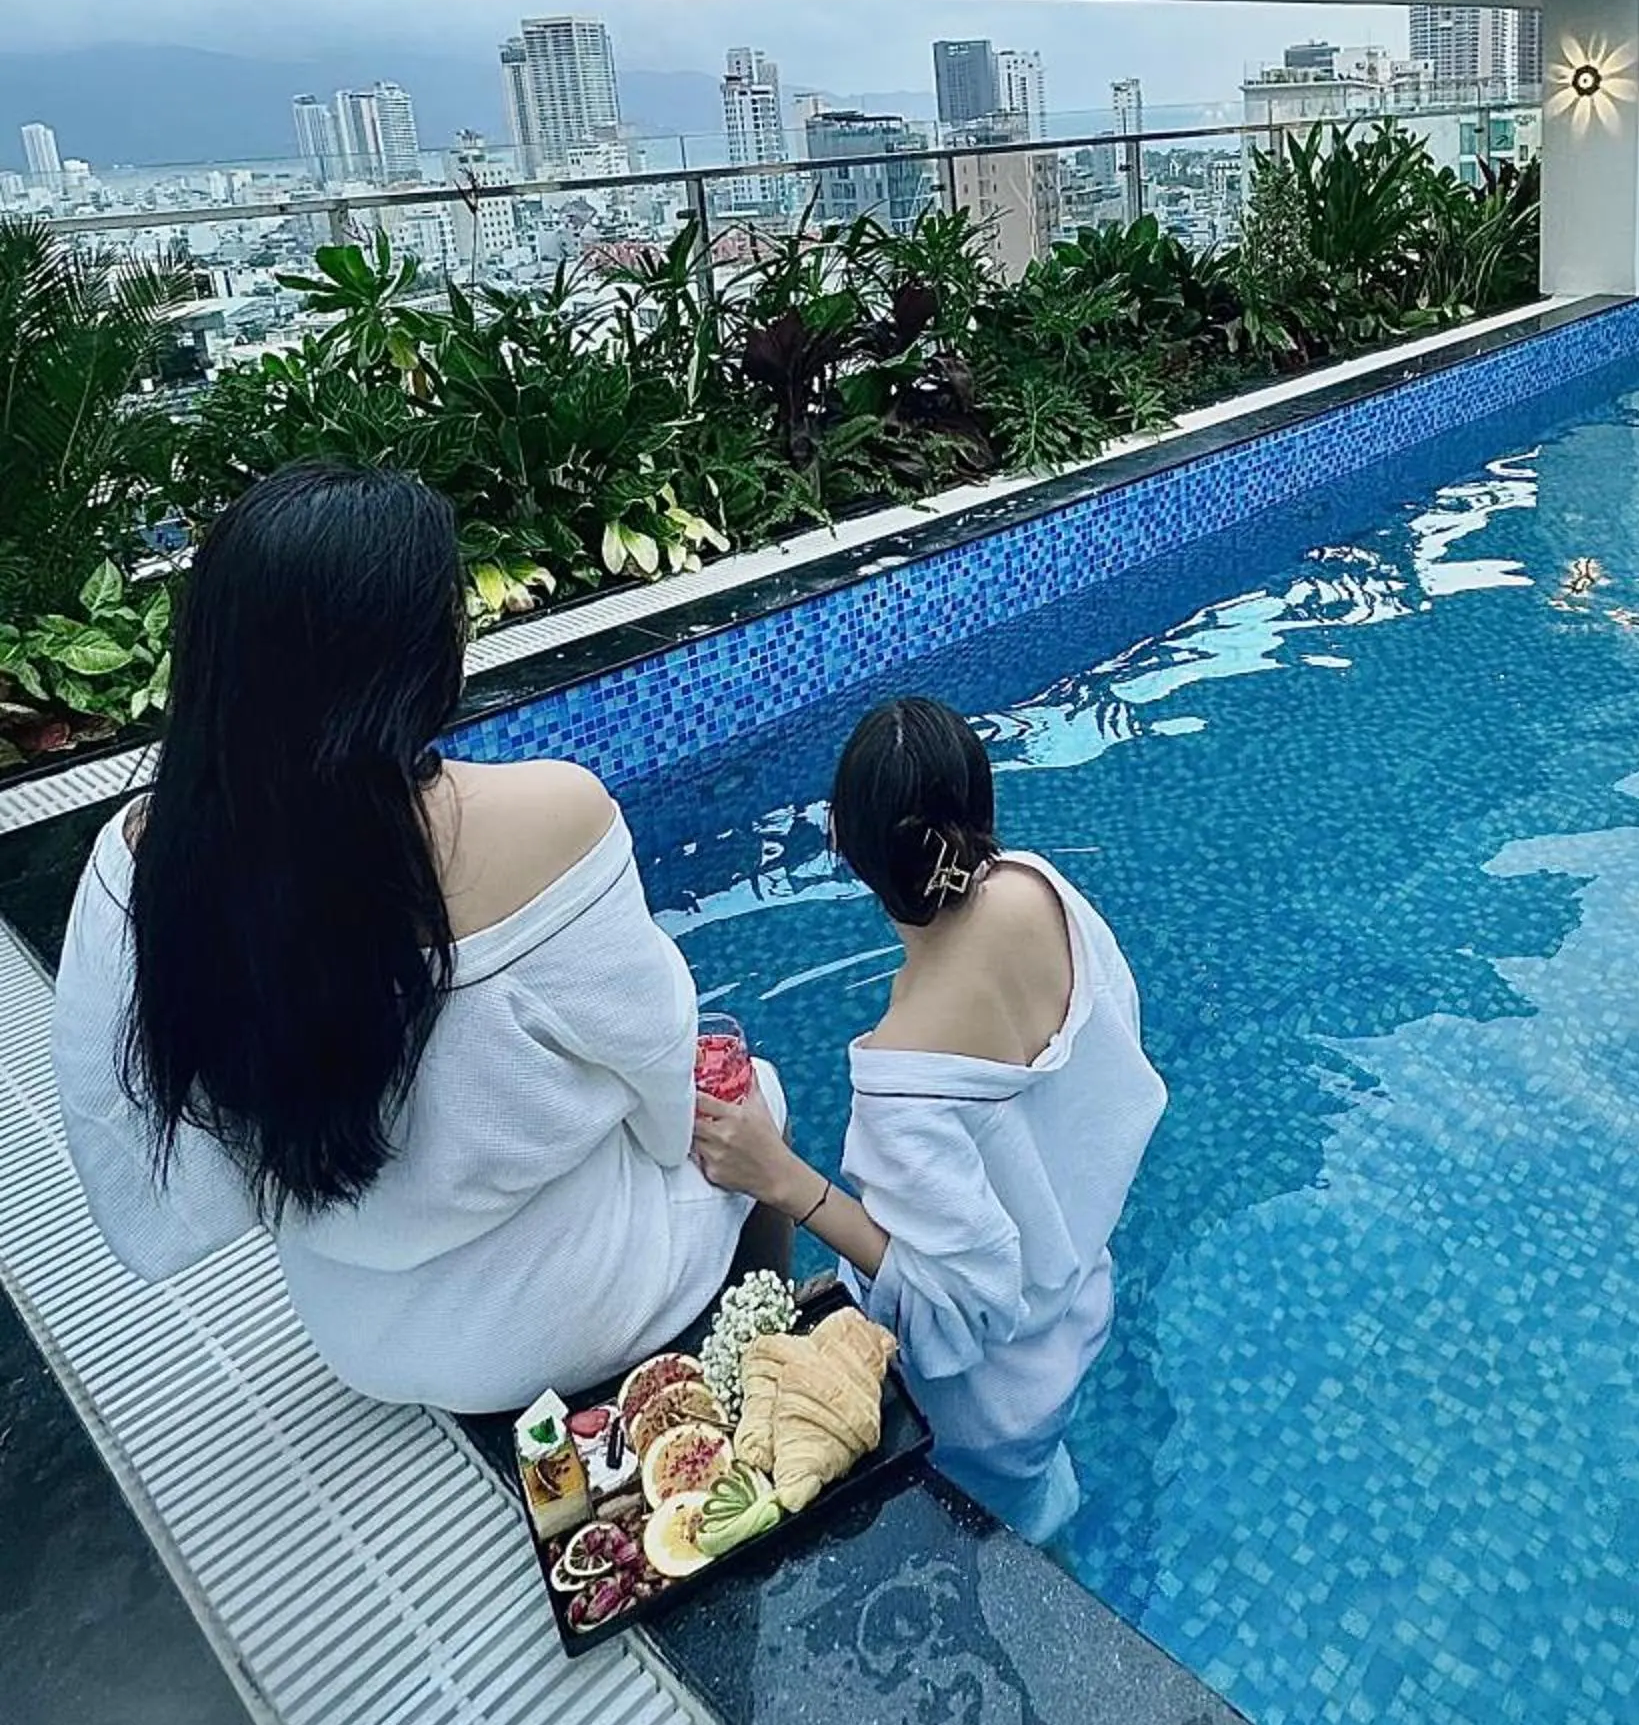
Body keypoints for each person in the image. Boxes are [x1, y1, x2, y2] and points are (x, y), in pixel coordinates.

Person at [50, 461, 778, 1413]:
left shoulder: (144, 862)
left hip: (361, 1331)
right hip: (581, 1308)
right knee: (753, 1100)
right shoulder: (550, 815)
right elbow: (657, 1075)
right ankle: (758, 1353)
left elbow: (142, 1199)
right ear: (417, 660)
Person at [690, 695, 1165, 1542]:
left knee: (986, 1539)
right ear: (981, 811)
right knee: (1040, 1501)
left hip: (985, 1402)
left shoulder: (904, 1079)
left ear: (851, 853)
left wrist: (783, 1180)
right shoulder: (1044, 894)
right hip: (1078, 1307)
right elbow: (1107, 1081)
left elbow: (958, 1308)